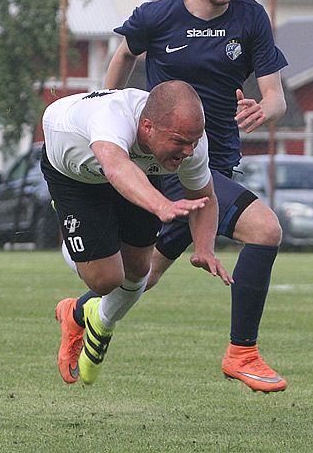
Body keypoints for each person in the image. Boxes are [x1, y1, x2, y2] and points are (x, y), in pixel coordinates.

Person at [100, 0, 289, 392]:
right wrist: (106, 110)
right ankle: (242, 352)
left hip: (219, 161)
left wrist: (263, 110)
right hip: (170, 163)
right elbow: (125, 55)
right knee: (265, 230)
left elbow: (277, 97)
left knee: (143, 276)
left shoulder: (250, 18)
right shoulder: (157, 17)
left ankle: (82, 315)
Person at [44, 81, 230, 386]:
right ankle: (67, 220)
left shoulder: (188, 143)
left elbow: (204, 199)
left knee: (139, 270)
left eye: (194, 141)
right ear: (147, 127)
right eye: (181, 141)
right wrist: (160, 204)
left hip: (138, 171)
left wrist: (205, 248)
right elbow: (116, 168)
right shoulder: (111, 118)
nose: (189, 151)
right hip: (76, 176)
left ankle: (93, 322)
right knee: (105, 280)